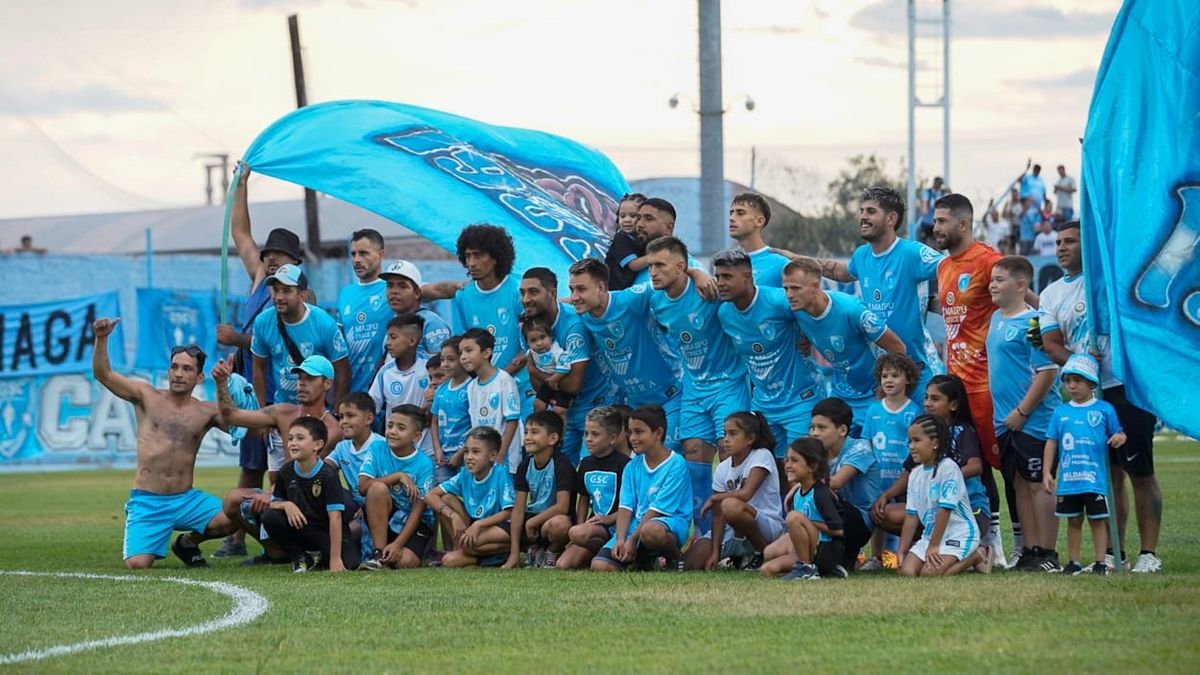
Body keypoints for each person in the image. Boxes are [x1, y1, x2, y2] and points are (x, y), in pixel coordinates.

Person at [1037, 221, 1162, 572]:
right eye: (1058, 242)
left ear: (1086, 245)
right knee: (1108, 474)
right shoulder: (1050, 295)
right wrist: (1080, 365)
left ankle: (1149, 554)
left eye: (1070, 241)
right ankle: (1113, 552)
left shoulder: (1111, 281)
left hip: (1126, 386)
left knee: (1139, 469)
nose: (1061, 247)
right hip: (1088, 394)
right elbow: (1050, 345)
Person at [213, 167, 307, 558]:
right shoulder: (259, 279)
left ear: (294, 263)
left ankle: (272, 538)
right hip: (253, 385)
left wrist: (238, 339)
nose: (269, 260)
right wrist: (242, 184)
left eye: (278, 256)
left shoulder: (304, 294)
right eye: (267, 255)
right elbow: (240, 234)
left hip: (284, 392)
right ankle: (238, 535)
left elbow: (290, 340)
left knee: (277, 466)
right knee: (250, 460)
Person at [92, 319, 237, 569]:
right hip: (148, 501)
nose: (179, 373)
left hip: (186, 500)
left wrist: (224, 384)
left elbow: (239, 424)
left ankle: (187, 543)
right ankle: (147, 532)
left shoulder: (207, 411)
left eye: (187, 369)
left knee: (234, 518)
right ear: (169, 371)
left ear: (200, 376)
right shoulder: (146, 396)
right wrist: (102, 338)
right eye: (175, 367)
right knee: (138, 565)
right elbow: (103, 374)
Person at [779, 186, 945, 396]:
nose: (863, 217)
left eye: (871, 211)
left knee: (924, 429)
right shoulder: (862, 255)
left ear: (891, 218)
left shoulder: (912, 252)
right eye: (862, 211)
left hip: (921, 370)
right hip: (888, 375)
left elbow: (951, 268)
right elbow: (841, 272)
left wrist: (939, 301)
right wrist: (796, 259)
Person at [932, 192, 1016, 565]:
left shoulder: (987, 260)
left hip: (987, 385)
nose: (936, 228)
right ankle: (990, 540)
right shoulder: (943, 267)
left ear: (963, 224)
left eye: (942, 221)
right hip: (956, 386)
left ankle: (1027, 545)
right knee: (973, 464)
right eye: (935, 221)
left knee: (1005, 466)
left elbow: (1022, 296)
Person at [646, 236, 751, 532]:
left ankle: (737, 536)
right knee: (693, 456)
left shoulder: (708, 289)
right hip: (693, 388)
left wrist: (698, 273)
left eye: (659, 265)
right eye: (650, 265)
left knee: (732, 455)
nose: (652, 272)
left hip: (728, 384)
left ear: (681, 266)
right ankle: (704, 537)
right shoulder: (655, 299)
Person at [213, 354, 345, 566]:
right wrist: (221, 383)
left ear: (327, 383)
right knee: (232, 500)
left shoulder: (333, 429)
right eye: (300, 378)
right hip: (282, 492)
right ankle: (275, 552)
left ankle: (304, 548)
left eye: (310, 379)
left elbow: (308, 474)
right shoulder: (283, 412)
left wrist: (273, 495)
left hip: (312, 501)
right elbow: (231, 415)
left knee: (270, 506)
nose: (302, 383)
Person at [988, 255, 1061, 572]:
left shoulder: (1033, 323)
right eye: (992, 279)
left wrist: (1022, 411)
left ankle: (1048, 553)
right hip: (1005, 422)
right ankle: (1030, 551)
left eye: (1000, 279)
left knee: (1038, 484)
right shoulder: (996, 319)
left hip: (1034, 420)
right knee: (1018, 484)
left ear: (1021, 285)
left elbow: (1047, 372)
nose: (992, 284)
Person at [713, 249, 822, 460]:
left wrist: (808, 335)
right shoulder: (724, 313)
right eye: (717, 277)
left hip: (801, 399)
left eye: (727, 276)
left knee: (802, 469)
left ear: (747, 277)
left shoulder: (778, 301)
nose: (720, 282)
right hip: (763, 405)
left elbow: (813, 308)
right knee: (771, 472)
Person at [567, 258, 685, 452]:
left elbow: (670, 280)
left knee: (666, 457)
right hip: (634, 404)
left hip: (670, 396)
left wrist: (699, 275)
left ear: (601, 287)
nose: (574, 297)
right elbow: (560, 306)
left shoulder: (629, 300)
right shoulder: (583, 315)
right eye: (571, 290)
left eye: (581, 289)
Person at [783, 257, 907, 424]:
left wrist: (885, 390)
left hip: (872, 396)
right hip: (840, 395)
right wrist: (806, 338)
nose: (789, 295)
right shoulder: (797, 310)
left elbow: (898, 347)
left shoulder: (852, 311)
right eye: (786, 288)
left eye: (796, 288)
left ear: (815, 287)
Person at [425, 224, 530, 415]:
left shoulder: (518, 291)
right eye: (468, 256)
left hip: (522, 391)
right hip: (482, 394)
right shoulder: (463, 296)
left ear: (496, 257)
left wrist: (500, 377)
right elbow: (462, 347)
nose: (472, 262)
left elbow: (531, 345)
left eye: (479, 255)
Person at [518, 266, 612, 465]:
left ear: (552, 293)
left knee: (590, 475)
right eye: (523, 293)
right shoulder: (529, 328)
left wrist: (535, 371)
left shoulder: (573, 325)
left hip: (595, 407)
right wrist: (539, 375)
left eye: (533, 292)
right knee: (559, 475)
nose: (526, 299)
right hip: (564, 411)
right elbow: (538, 386)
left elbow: (573, 385)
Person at [1042, 354, 1126, 575]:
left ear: (1091, 382)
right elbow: (1051, 442)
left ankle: (1100, 562)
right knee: (1073, 521)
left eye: (1077, 381)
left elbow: (1119, 433)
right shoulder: (1060, 412)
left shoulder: (1104, 409)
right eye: (1068, 380)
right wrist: (1047, 472)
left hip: (1094, 480)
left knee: (1097, 521)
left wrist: (1119, 438)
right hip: (1069, 481)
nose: (1071, 386)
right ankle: (1073, 562)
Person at [591, 405, 693, 572]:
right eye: (630, 432)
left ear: (658, 433)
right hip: (636, 526)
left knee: (651, 531)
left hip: (667, 524)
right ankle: (642, 560)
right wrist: (621, 539)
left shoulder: (676, 464)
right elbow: (625, 508)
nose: (632, 438)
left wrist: (632, 541)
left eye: (639, 432)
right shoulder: (631, 466)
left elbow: (657, 510)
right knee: (600, 566)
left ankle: (674, 559)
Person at [687, 412, 784, 572]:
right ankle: (738, 557)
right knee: (691, 563)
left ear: (750, 439)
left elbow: (746, 494)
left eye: (733, 434)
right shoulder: (722, 468)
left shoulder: (761, 456)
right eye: (724, 433)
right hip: (732, 530)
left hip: (765, 525)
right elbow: (718, 515)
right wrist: (714, 553)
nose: (726, 439)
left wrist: (715, 498)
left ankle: (765, 553)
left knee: (731, 506)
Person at [260, 417, 357, 572]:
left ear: (317, 445)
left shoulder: (328, 474)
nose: (292, 443)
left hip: (325, 531)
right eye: (290, 438)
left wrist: (335, 559)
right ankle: (299, 557)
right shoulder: (286, 471)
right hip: (302, 528)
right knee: (270, 516)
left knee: (350, 563)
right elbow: (273, 502)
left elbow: (335, 517)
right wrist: (286, 504)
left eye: (300, 438)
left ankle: (321, 557)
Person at [250, 263, 350, 407]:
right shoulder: (262, 322)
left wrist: (336, 412)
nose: (278, 297)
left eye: (286, 291)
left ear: (303, 295)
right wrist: (261, 413)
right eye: (276, 290)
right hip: (282, 408)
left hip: (318, 411)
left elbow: (343, 369)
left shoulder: (324, 323)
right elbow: (258, 369)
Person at [898, 414, 986, 577]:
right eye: (910, 441)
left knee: (929, 574)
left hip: (958, 533)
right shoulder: (915, 474)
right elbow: (911, 516)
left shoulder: (948, 468)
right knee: (907, 572)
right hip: (931, 535)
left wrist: (934, 546)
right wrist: (902, 551)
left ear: (935, 443)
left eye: (917, 440)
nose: (911, 446)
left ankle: (976, 556)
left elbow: (944, 510)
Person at [858, 353, 922, 570]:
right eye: (885, 375)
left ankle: (907, 554)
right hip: (878, 475)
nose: (889, 380)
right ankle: (876, 557)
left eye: (895, 375)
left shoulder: (914, 411)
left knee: (907, 513)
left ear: (908, 379)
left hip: (904, 476)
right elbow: (866, 442)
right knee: (877, 513)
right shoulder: (873, 409)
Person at [358, 404, 437, 570]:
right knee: (377, 488)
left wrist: (398, 544)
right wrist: (398, 476)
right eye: (390, 425)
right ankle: (379, 554)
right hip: (386, 515)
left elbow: (418, 509)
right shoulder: (377, 448)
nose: (392, 431)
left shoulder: (424, 463)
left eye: (401, 428)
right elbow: (363, 487)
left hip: (413, 521)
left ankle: (393, 549)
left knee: (405, 562)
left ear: (416, 436)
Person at [425, 427, 516, 568]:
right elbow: (430, 495)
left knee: (471, 543)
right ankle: (486, 559)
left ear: (492, 455)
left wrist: (478, 525)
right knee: (446, 499)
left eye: (476, 452)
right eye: (466, 451)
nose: (468, 457)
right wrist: (454, 516)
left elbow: (509, 512)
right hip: (475, 524)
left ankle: (508, 551)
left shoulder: (500, 473)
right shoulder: (464, 474)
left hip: (501, 526)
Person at [554, 407, 631, 570]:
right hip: (594, 527)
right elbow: (583, 498)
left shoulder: (625, 464)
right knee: (562, 564)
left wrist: (609, 519)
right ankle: (597, 552)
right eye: (586, 434)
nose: (588, 439)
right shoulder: (586, 463)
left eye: (595, 434)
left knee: (577, 533)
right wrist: (582, 524)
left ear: (612, 438)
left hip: (618, 526)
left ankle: (619, 554)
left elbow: (632, 505)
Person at [809, 398, 879, 574]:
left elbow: (837, 482)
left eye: (821, 428)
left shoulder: (860, 448)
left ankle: (837, 558)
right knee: (773, 556)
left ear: (842, 430)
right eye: (812, 427)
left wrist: (801, 483)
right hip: (832, 516)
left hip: (859, 521)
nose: (814, 433)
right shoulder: (817, 452)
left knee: (822, 495)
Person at [761, 437, 846, 580]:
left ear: (812, 467)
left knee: (794, 517)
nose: (788, 465)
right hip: (809, 548)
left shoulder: (821, 493)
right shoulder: (797, 494)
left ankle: (807, 568)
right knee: (767, 564)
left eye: (794, 460)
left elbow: (838, 530)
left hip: (826, 550)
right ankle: (823, 572)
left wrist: (807, 523)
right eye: (787, 460)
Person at [506, 411, 576, 568]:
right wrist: (514, 553)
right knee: (501, 531)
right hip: (530, 522)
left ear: (553, 438)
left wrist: (532, 522)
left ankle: (552, 551)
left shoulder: (562, 464)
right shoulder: (525, 465)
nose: (528, 437)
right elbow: (517, 510)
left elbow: (562, 507)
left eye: (535, 432)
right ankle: (531, 551)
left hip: (549, 521)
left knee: (560, 524)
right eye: (526, 432)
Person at [325, 392, 388, 555]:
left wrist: (369, 504)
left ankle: (373, 552)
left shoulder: (382, 446)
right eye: (340, 417)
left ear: (368, 419)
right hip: (356, 508)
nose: (344, 421)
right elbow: (324, 469)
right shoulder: (342, 447)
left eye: (350, 415)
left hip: (382, 507)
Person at [459, 328, 523, 474]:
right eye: (461, 352)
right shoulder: (472, 387)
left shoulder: (504, 380)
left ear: (486, 353)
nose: (463, 357)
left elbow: (512, 420)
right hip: (483, 460)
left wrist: (501, 454)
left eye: (469, 350)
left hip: (504, 459)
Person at [338, 229, 392, 394]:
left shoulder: (393, 287)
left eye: (363, 253)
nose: (356, 260)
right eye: (353, 254)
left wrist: (458, 287)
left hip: (386, 390)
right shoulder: (345, 293)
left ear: (380, 254)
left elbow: (430, 290)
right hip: (352, 391)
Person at [379, 260, 451, 357]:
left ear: (417, 293)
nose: (394, 291)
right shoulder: (392, 324)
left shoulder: (431, 323)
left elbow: (443, 366)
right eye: (390, 286)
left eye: (402, 286)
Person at [368, 314, 431, 424]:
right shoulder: (385, 372)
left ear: (412, 341)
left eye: (393, 337)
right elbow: (370, 409)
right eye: (387, 337)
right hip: (396, 440)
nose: (388, 343)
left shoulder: (429, 366)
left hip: (427, 440)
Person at [430, 337, 472, 485]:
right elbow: (434, 422)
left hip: (467, 456)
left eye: (451, 359)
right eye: (442, 359)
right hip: (444, 457)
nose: (445, 365)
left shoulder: (471, 388)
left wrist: (461, 453)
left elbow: (476, 424)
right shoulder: (441, 390)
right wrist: (437, 449)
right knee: (440, 496)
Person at [728, 192, 790, 287]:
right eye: (731, 213)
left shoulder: (781, 264)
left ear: (759, 221)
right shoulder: (726, 262)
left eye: (740, 213)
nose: (732, 218)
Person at [522, 316, 573, 414]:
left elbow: (565, 366)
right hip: (547, 384)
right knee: (537, 405)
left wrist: (554, 379)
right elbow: (527, 355)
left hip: (561, 383)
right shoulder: (532, 352)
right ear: (528, 343)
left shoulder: (556, 351)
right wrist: (520, 360)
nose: (539, 343)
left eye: (542, 337)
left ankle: (561, 428)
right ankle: (541, 425)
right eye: (533, 340)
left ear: (550, 337)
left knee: (559, 410)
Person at [604, 193, 648, 291]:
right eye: (622, 216)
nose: (626, 220)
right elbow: (633, 265)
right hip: (613, 290)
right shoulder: (621, 238)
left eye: (633, 216)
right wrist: (656, 256)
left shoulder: (642, 238)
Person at [917, 176, 947, 243]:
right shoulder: (928, 192)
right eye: (938, 184)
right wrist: (924, 208)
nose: (939, 186)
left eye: (940, 184)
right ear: (934, 183)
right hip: (926, 222)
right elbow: (925, 201)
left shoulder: (942, 193)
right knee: (922, 240)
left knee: (936, 242)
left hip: (935, 223)